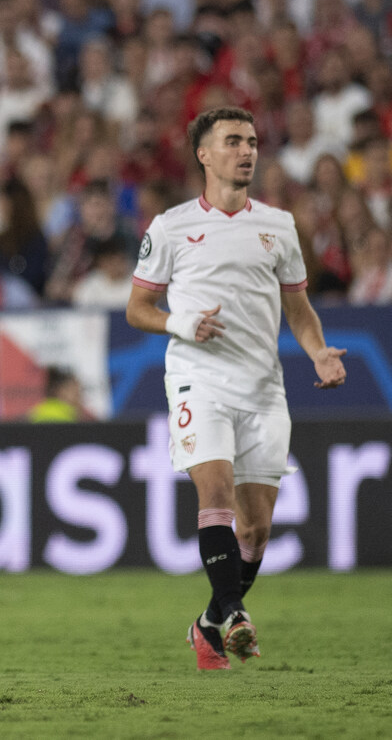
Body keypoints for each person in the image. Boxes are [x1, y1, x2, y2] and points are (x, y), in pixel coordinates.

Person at [126, 106, 347, 671]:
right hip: (199, 379)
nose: (246, 151)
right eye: (233, 141)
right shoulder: (171, 226)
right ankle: (234, 614)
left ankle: (208, 624)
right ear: (204, 154)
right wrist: (181, 323)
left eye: (251, 141)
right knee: (216, 496)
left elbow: (298, 310)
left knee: (257, 527)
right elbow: (138, 308)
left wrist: (318, 350)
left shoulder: (278, 225)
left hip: (263, 386)